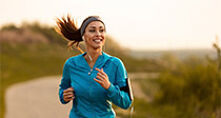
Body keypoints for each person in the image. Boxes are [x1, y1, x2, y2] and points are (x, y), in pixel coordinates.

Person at [56, 15, 133, 118]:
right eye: (92, 30)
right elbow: (63, 89)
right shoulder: (71, 64)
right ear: (83, 36)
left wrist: (109, 87)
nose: (98, 34)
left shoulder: (115, 64)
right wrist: (64, 96)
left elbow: (126, 103)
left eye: (101, 30)